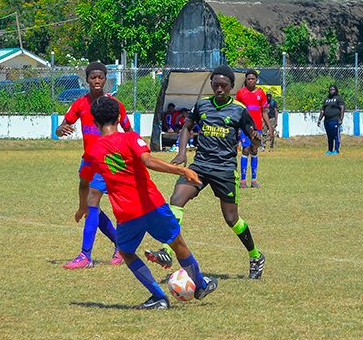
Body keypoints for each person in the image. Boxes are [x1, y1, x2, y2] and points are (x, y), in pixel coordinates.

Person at [83, 96, 218, 309]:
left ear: (95, 123)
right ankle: (200, 284)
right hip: (152, 205)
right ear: (119, 118)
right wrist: (181, 169)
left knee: (127, 253)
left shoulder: (94, 151)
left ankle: (158, 296)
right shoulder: (130, 138)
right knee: (178, 243)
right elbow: (148, 161)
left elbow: (93, 184)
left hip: (126, 213)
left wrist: (86, 204)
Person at [145, 65, 267, 280]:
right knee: (176, 199)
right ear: (211, 84)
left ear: (230, 87)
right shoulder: (202, 105)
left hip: (225, 169)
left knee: (232, 219)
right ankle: (166, 250)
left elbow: (251, 133)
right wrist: (182, 153)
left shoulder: (239, 109)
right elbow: (186, 127)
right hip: (200, 165)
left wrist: (256, 138)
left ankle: (255, 255)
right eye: (216, 84)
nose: (219, 89)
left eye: (224, 85)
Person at [55, 62, 132, 269]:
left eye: (100, 77)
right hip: (90, 160)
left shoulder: (115, 104)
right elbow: (62, 125)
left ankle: (109, 249)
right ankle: (90, 254)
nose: (97, 81)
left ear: (106, 79)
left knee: (116, 205)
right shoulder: (80, 104)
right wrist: (61, 129)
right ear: (87, 79)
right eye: (92, 78)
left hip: (113, 160)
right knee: (92, 205)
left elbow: (129, 130)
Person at [235, 69, 272, 188]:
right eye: (248, 79)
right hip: (245, 127)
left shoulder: (261, 93)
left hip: (258, 128)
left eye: (253, 79)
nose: (250, 81)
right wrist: (237, 126)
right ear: (246, 80)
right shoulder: (241, 93)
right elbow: (237, 111)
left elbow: (264, 111)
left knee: (254, 150)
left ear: (256, 80)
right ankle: (243, 180)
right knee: (245, 149)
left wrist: (270, 128)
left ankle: (254, 180)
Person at [316, 85, 345, 155]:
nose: (331, 91)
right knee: (329, 136)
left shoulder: (338, 98)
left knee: (336, 136)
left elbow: (342, 109)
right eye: (330, 90)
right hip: (327, 120)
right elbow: (323, 110)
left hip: (335, 120)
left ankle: (336, 150)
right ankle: (330, 150)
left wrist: (341, 119)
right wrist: (319, 119)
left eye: (333, 90)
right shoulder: (326, 99)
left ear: (336, 90)